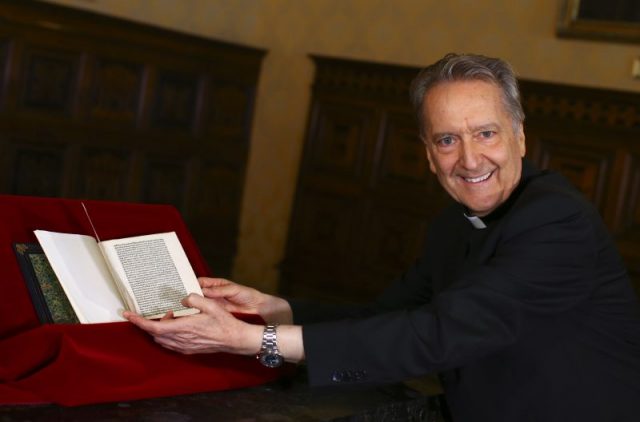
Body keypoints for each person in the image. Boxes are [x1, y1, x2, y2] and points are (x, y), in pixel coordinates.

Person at [125, 53, 640, 421]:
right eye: (447, 140)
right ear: (427, 153)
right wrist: (273, 309)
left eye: (486, 133)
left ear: (520, 136)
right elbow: (388, 316)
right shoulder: (450, 224)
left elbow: (440, 333)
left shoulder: (558, 222)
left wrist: (253, 341)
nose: (469, 159)